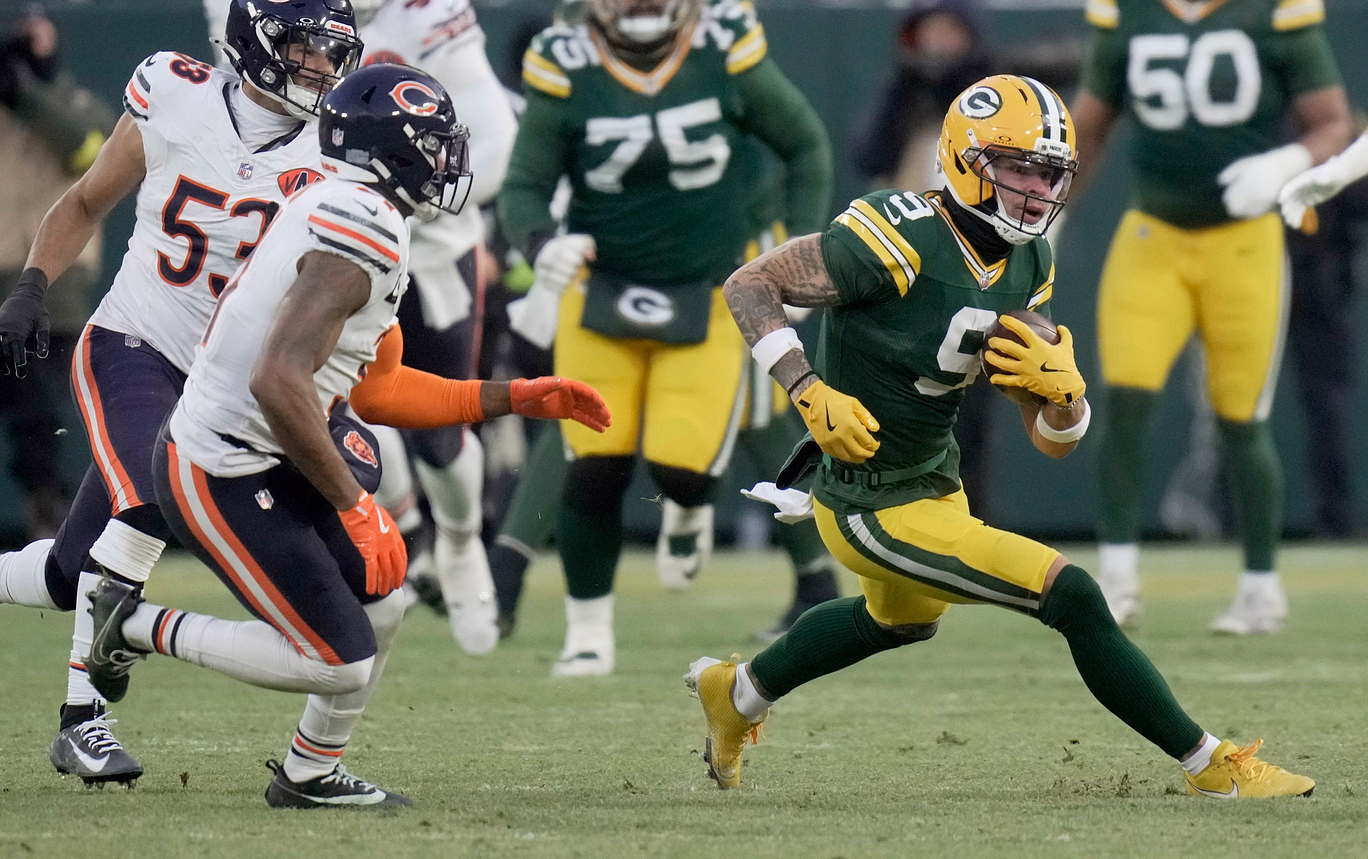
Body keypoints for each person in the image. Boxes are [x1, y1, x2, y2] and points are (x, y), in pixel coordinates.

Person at [686, 74, 1316, 800]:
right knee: (1072, 594)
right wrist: (806, 388)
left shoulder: (1030, 261)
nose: (1039, 190)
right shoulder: (896, 234)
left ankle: (737, 692)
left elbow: (1051, 439)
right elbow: (749, 284)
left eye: (1050, 173)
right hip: (867, 500)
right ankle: (1212, 765)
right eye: (1020, 168)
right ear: (966, 160)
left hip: (933, 480)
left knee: (900, 619)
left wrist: (1067, 399)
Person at [82, 62, 610, 809]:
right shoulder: (361, 226)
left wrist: (514, 397)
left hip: (267, 449)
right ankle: (133, 626)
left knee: (385, 599)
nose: (446, 162)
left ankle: (309, 774)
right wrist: (354, 506)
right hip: (222, 463)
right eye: (432, 146)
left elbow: (378, 389)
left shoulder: (356, 207)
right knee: (339, 661)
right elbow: (278, 379)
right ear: (390, 152)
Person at [0, 0, 364, 787]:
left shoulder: (336, 153)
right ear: (255, 42)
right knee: (148, 497)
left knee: (68, 572)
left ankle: (88, 632)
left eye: (330, 53)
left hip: (223, 378)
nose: (320, 67)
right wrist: (32, 285)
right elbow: (86, 200)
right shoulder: (174, 92)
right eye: (303, 48)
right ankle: (80, 719)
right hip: (135, 344)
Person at [497, 0, 832, 676]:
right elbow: (524, 183)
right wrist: (540, 243)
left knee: (685, 465)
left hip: (709, 289)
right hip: (601, 287)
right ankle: (588, 631)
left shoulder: (721, 46)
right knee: (593, 463)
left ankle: (689, 508)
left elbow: (806, 146)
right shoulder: (566, 61)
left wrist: (797, 259)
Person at [1069, 0, 1349, 631]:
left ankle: (1260, 588)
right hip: (1153, 234)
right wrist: (1046, 217)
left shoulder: (1274, 12)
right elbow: (1088, 129)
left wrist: (1285, 163)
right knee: (1124, 398)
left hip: (1243, 241)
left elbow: (1332, 122)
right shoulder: (1129, 14)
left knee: (1242, 416)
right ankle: (1117, 579)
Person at [343, 0, 519, 655]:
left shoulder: (424, 15)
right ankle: (408, 528)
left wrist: (404, 201)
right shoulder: (285, 17)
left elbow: (495, 139)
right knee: (342, 406)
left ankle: (460, 540)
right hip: (330, 241)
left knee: (441, 430)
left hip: (434, 250)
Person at [0, 3, 115, 540]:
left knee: (40, 413)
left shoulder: (77, 101)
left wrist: (24, 94)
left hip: (50, 284)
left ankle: (50, 519)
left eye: (40, 35)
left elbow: (86, 152)